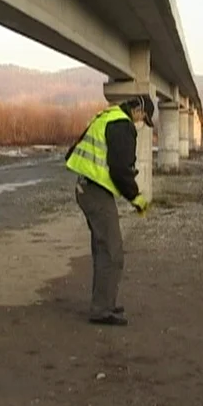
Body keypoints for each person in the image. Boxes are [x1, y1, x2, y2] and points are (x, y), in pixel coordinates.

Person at [65, 94, 154, 326]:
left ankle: (104, 302)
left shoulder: (108, 115)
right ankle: (102, 309)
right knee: (112, 251)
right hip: (95, 192)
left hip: (87, 188)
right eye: (143, 117)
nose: (140, 122)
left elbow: (82, 151)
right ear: (137, 110)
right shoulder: (122, 124)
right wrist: (136, 198)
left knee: (102, 249)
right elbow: (120, 170)